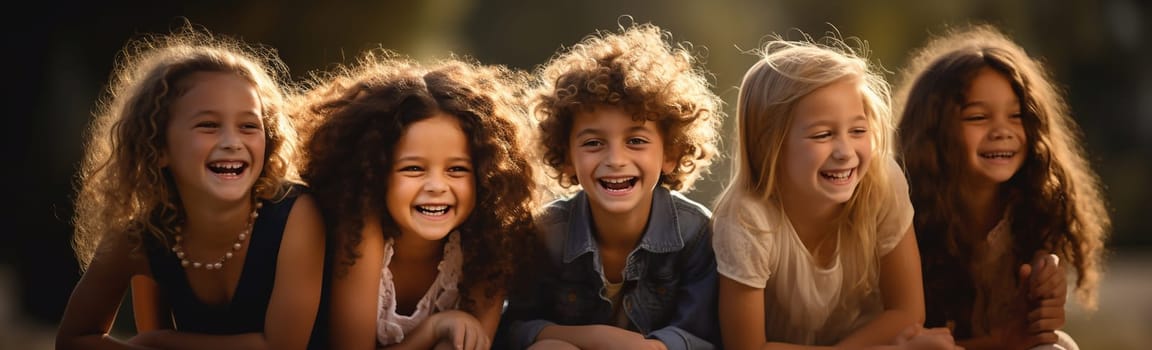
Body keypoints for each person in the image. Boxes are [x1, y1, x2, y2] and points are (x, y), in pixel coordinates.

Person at [56, 21, 327, 350]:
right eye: (208, 125)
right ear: (158, 148)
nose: (232, 142)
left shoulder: (297, 215)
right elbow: (73, 338)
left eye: (248, 126)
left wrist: (162, 341)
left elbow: (282, 346)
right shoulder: (138, 234)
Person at [710, 31, 959, 349]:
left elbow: (907, 312)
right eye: (823, 134)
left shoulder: (881, 181)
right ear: (768, 144)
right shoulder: (745, 218)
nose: (845, 152)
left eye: (858, 130)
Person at [499, 20, 724, 350]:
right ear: (566, 157)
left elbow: (703, 338)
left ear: (671, 154)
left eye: (635, 140)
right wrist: (599, 338)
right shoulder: (548, 232)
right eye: (593, 143)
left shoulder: (695, 234)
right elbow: (513, 330)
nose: (615, 159)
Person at [296, 48, 540, 350]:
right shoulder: (361, 233)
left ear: (484, 176)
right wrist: (433, 329)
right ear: (374, 171)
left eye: (456, 169)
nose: (436, 186)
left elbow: (476, 344)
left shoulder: (490, 244)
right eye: (413, 168)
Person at [894, 24, 1109, 350]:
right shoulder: (902, 216)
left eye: (1017, 115)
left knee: (1059, 345)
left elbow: (1031, 333)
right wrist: (1001, 341)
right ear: (934, 132)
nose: (1002, 131)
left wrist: (1043, 284)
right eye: (978, 117)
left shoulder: (1038, 207)